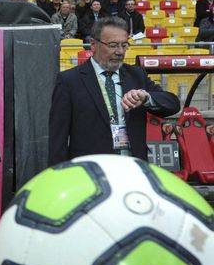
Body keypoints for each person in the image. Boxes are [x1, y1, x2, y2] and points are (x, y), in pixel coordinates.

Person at [48, 17, 181, 166]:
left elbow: (173, 103)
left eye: (124, 45)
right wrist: (59, 174)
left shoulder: (137, 75)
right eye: (113, 45)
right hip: (90, 171)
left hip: (133, 167)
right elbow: (57, 139)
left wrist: (146, 98)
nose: (120, 52)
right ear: (93, 44)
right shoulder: (69, 80)